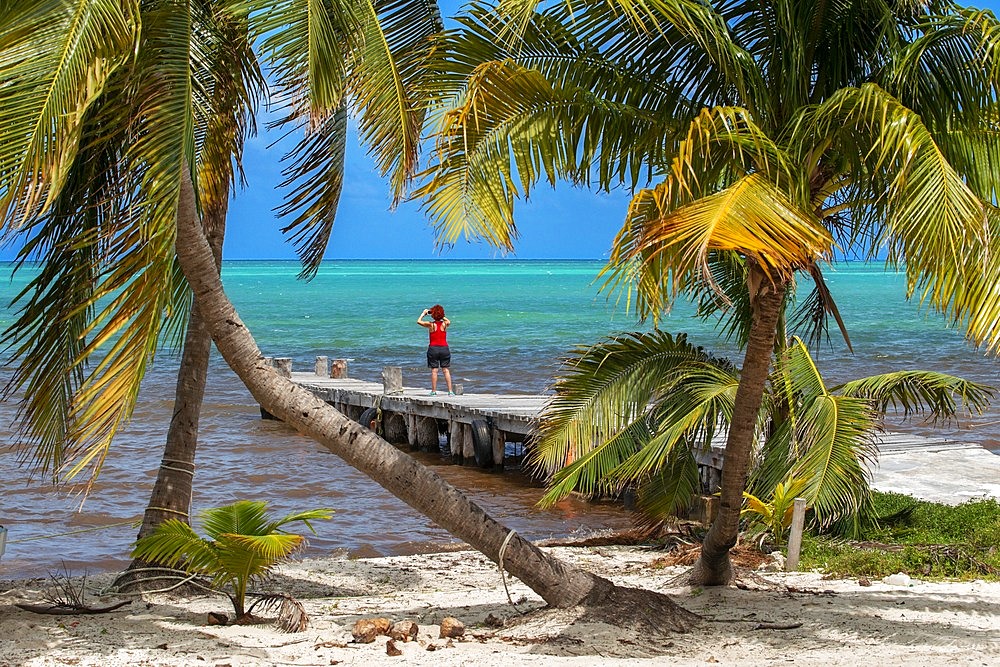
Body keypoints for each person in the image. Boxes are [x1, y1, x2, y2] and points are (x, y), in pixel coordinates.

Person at [417, 304, 453, 395]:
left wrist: (424, 313)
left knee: (434, 370)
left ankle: (433, 391)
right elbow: (448, 320)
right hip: (444, 348)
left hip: (433, 349)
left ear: (433, 315)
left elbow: (418, 321)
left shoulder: (431, 325)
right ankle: (450, 391)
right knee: (446, 370)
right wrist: (440, 315)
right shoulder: (445, 324)